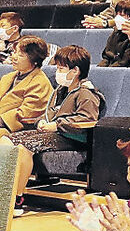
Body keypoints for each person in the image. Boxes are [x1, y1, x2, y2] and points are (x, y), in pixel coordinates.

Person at [1, 46, 104, 212]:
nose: (57, 72)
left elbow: (88, 119)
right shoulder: (60, 90)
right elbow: (47, 113)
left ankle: (17, 198)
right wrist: (40, 122)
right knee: (6, 140)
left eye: (61, 68)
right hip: (52, 134)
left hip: (71, 138)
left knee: (23, 148)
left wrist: (57, 125)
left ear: (75, 70)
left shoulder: (86, 92)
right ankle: (4, 195)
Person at [0, 36, 53, 138]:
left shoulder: (40, 83)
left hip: (16, 129)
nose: (14, 57)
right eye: (14, 52)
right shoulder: (8, 77)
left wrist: (1, 120)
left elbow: (26, 113)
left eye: (20, 55)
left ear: (35, 60)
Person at [99, 0, 130, 67]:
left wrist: (108, 72)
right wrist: (100, 69)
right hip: (111, 69)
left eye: (122, 15)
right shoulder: (116, 32)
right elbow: (106, 56)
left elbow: (125, 62)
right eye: (117, 14)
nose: (117, 18)